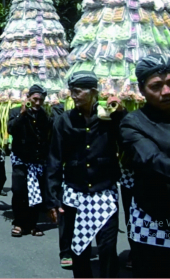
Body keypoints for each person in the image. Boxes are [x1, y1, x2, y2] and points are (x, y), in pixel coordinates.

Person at [120, 54, 170, 278]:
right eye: (157, 86)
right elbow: (153, 161)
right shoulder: (133, 122)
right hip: (153, 220)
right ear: (141, 90)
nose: (167, 92)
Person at [46, 71, 125, 278]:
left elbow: (127, 140)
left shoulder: (109, 118)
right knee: (79, 250)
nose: (73, 95)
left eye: (78, 91)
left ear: (93, 93)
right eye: (71, 91)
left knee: (108, 249)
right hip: (75, 192)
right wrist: (53, 198)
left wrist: (121, 113)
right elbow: (54, 160)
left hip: (104, 192)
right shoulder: (64, 121)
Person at [8, 84, 51, 237]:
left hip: (37, 160)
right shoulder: (15, 112)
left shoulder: (45, 115)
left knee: (36, 193)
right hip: (21, 159)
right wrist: (22, 114)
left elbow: (47, 133)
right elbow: (11, 129)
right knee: (19, 192)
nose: (37, 103)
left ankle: (33, 224)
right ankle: (19, 223)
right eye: (34, 99)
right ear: (28, 98)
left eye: (41, 100)